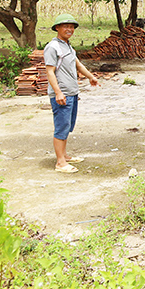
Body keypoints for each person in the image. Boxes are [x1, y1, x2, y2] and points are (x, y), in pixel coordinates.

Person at [44, 14, 98, 173]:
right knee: (61, 126)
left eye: (72, 26)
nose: (69, 29)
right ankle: (60, 163)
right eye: (65, 26)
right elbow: (50, 72)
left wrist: (91, 77)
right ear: (57, 28)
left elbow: (78, 65)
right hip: (62, 95)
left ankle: (64, 155)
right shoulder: (52, 47)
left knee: (67, 125)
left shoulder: (67, 46)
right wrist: (58, 92)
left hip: (72, 92)